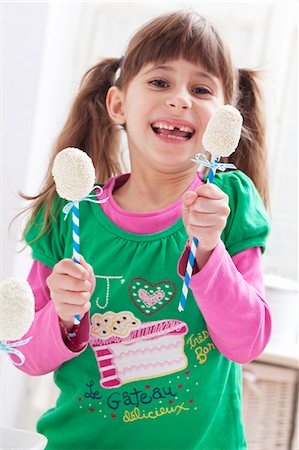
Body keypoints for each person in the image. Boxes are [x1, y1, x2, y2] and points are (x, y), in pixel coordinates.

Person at [13, 10, 271, 450]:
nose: (180, 100)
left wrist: (209, 250)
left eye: (202, 89)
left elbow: (247, 342)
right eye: (159, 82)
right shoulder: (69, 213)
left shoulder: (229, 205)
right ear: (117, 104)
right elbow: (28, 357)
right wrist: (62, 317)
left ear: (228, 116)